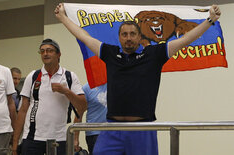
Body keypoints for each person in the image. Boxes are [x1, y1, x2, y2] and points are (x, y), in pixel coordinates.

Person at [55, 3, 221, 155]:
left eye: (133, 34)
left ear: (139, 36)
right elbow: (84, 36)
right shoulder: (111, 54)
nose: (128, 38)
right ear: (119, 37)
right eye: (124, 34)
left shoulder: (154, 54)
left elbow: (185, 39)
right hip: (112, 129)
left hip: (143, 129)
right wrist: (63, 17)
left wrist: (210, 20)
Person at [12, 38, 87, 155]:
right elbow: (22, 110)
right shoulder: (33, 76)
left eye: (49, 50)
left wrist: (66, 91)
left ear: (59, 54)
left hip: (59, 138)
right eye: (42, 51)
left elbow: (82, 106)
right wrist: (15, 141)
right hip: (32, 138)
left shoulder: (69, 76)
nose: (45, 54)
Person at [77, 83, 107, 155]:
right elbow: (79, 113)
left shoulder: (114, 84)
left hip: (112, 131)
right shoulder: (86, 88)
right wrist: (75, 139)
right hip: (94, 133)